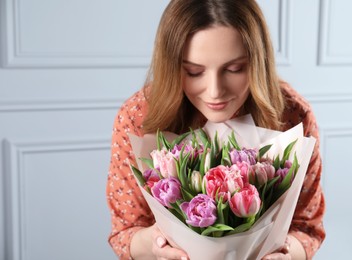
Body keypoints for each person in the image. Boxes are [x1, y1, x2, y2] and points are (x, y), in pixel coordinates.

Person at [106, 0, 325, 259]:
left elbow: (307, 229)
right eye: (194, 71)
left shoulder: (291, 115)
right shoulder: (139, 117)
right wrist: (155, 243)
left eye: (235, 69)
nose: (215, 91)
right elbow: (124, 233)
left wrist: (288, 254)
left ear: (259, 61)